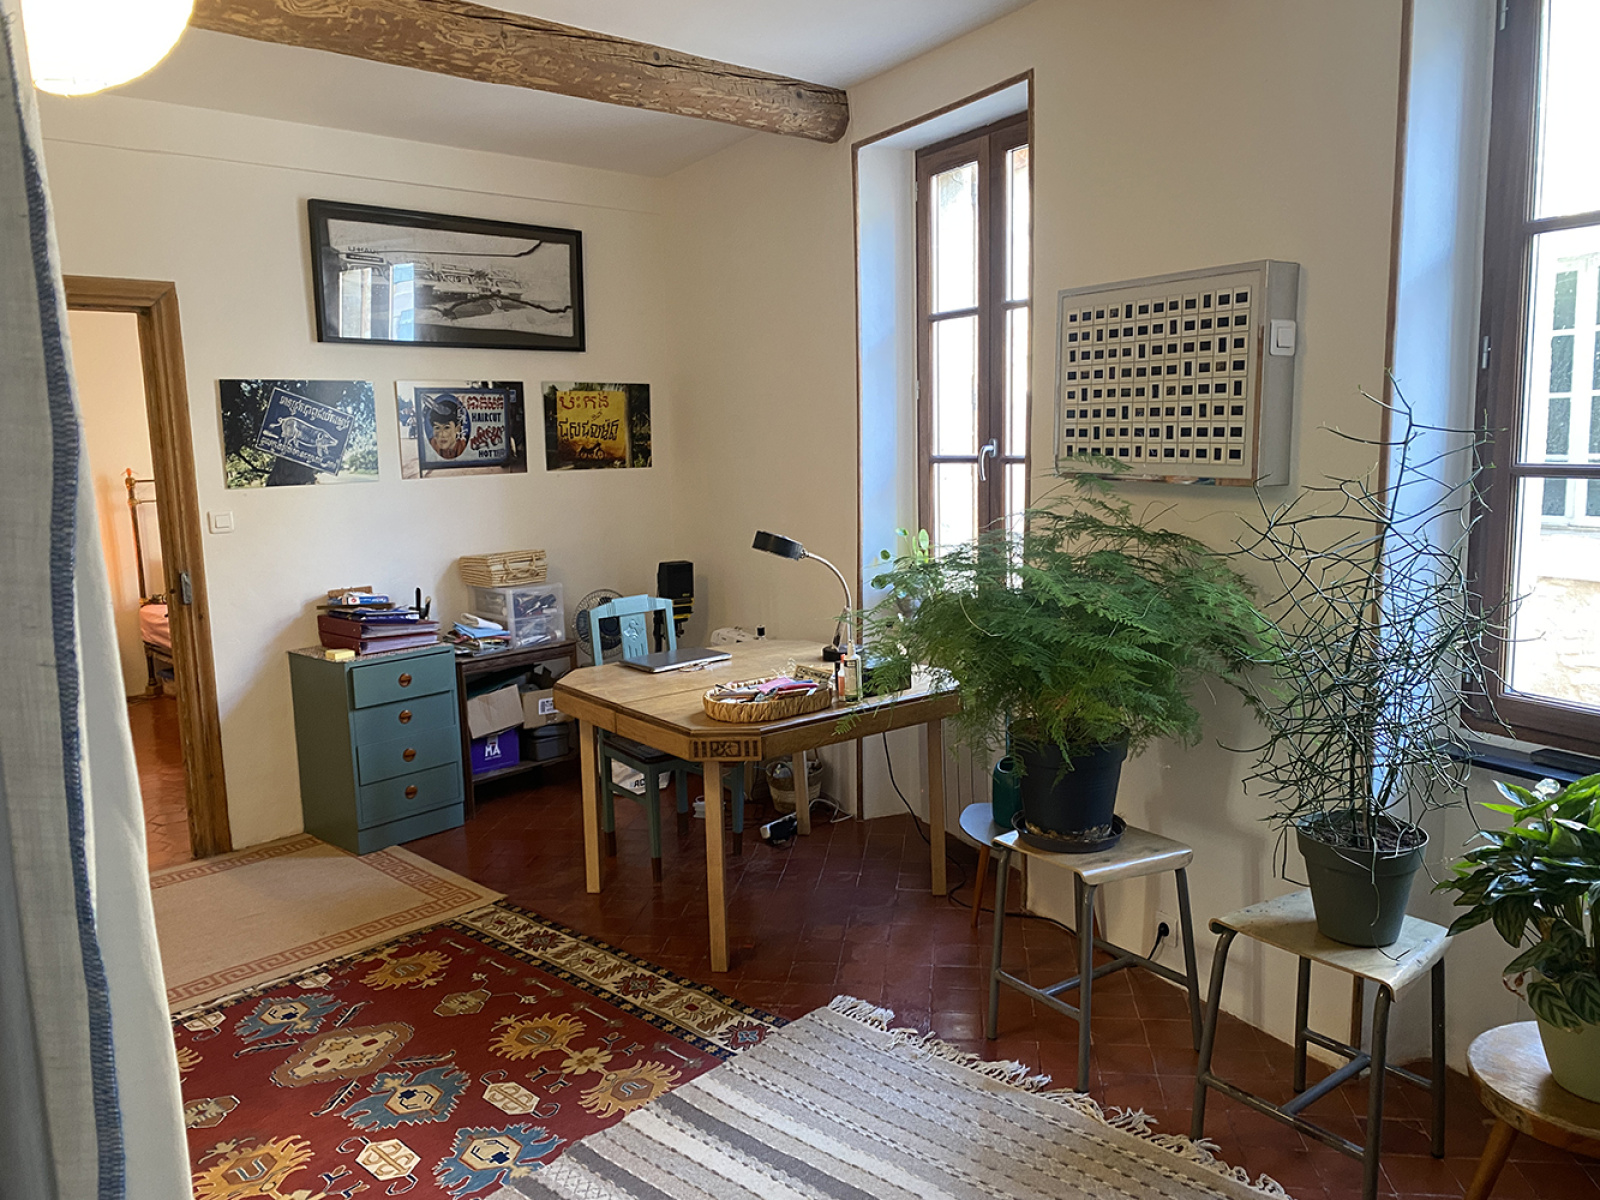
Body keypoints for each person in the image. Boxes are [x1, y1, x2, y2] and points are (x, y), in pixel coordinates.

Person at [425, 394, 469, 459]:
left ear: (458, 428)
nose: (441, 434)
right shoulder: (433, 444)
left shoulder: (462, 446)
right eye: (437, 428)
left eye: (447, 427)